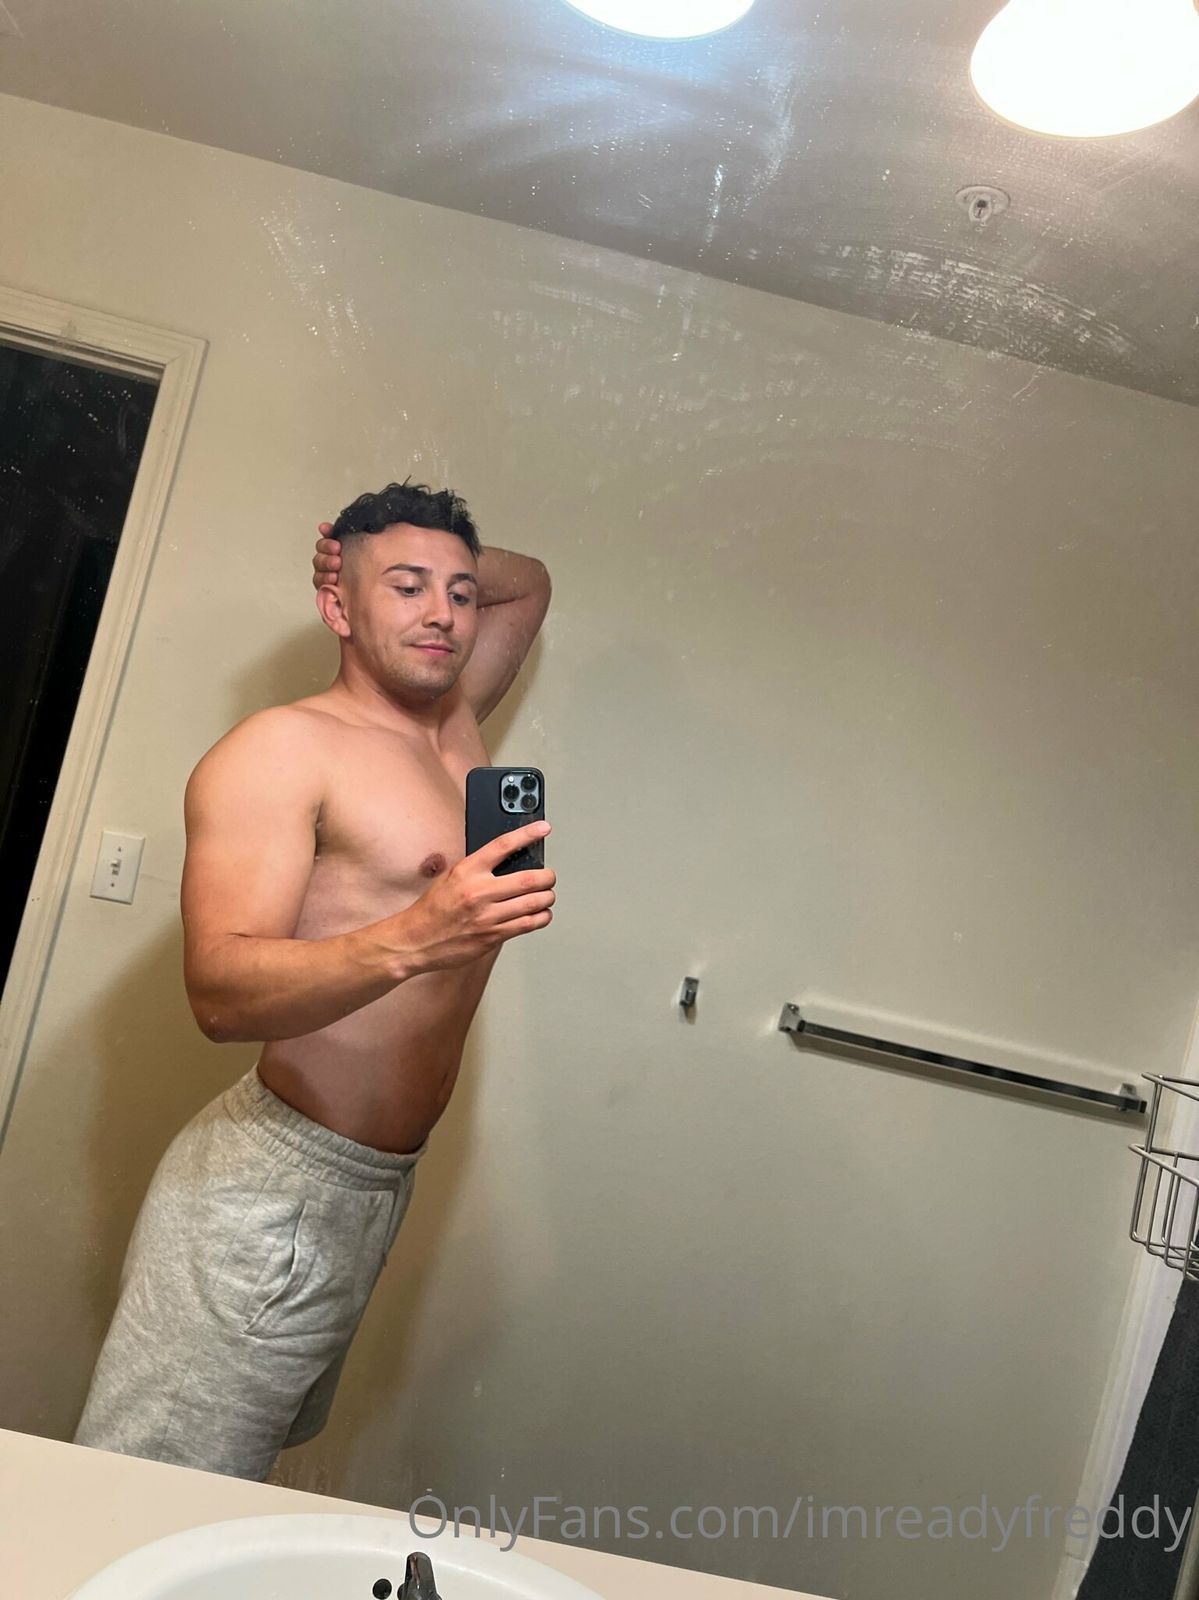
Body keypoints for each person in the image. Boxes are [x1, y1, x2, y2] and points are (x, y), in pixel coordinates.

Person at [72, 480, 555, 1480]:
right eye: (405, 588)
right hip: (268, 1193)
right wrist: (418, 934)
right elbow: (219, 993)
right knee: (148, 1498)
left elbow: (531, 582)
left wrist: (399, 554)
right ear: (337, 605)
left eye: (458, 593)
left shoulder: (451, 724)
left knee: (230, 1491)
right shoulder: (282, 749)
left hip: (369, 1191)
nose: (442, 613)